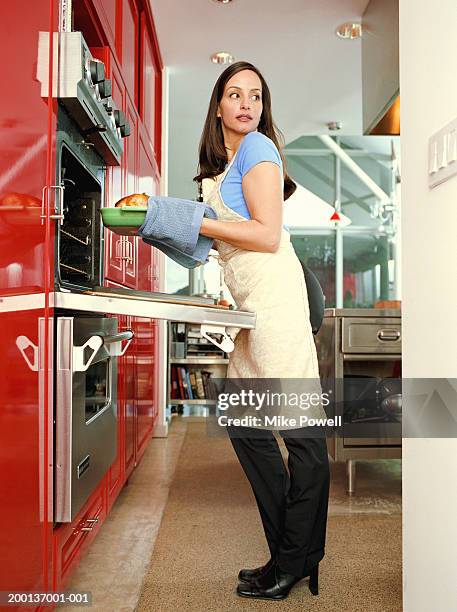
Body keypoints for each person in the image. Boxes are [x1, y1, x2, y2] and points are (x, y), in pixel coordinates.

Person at [194, 61, 330, 601]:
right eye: (234, 94)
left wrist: (193, 221)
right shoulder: (221, 164)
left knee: (302, 438)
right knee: (248, 426)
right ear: (219, 106)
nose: (246, 103)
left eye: (255, 95)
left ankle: (294, 560)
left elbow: (267, 235)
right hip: (250, 306)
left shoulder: (259, 149)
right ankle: (290, 555)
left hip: (277, 303)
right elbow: (232, 243)